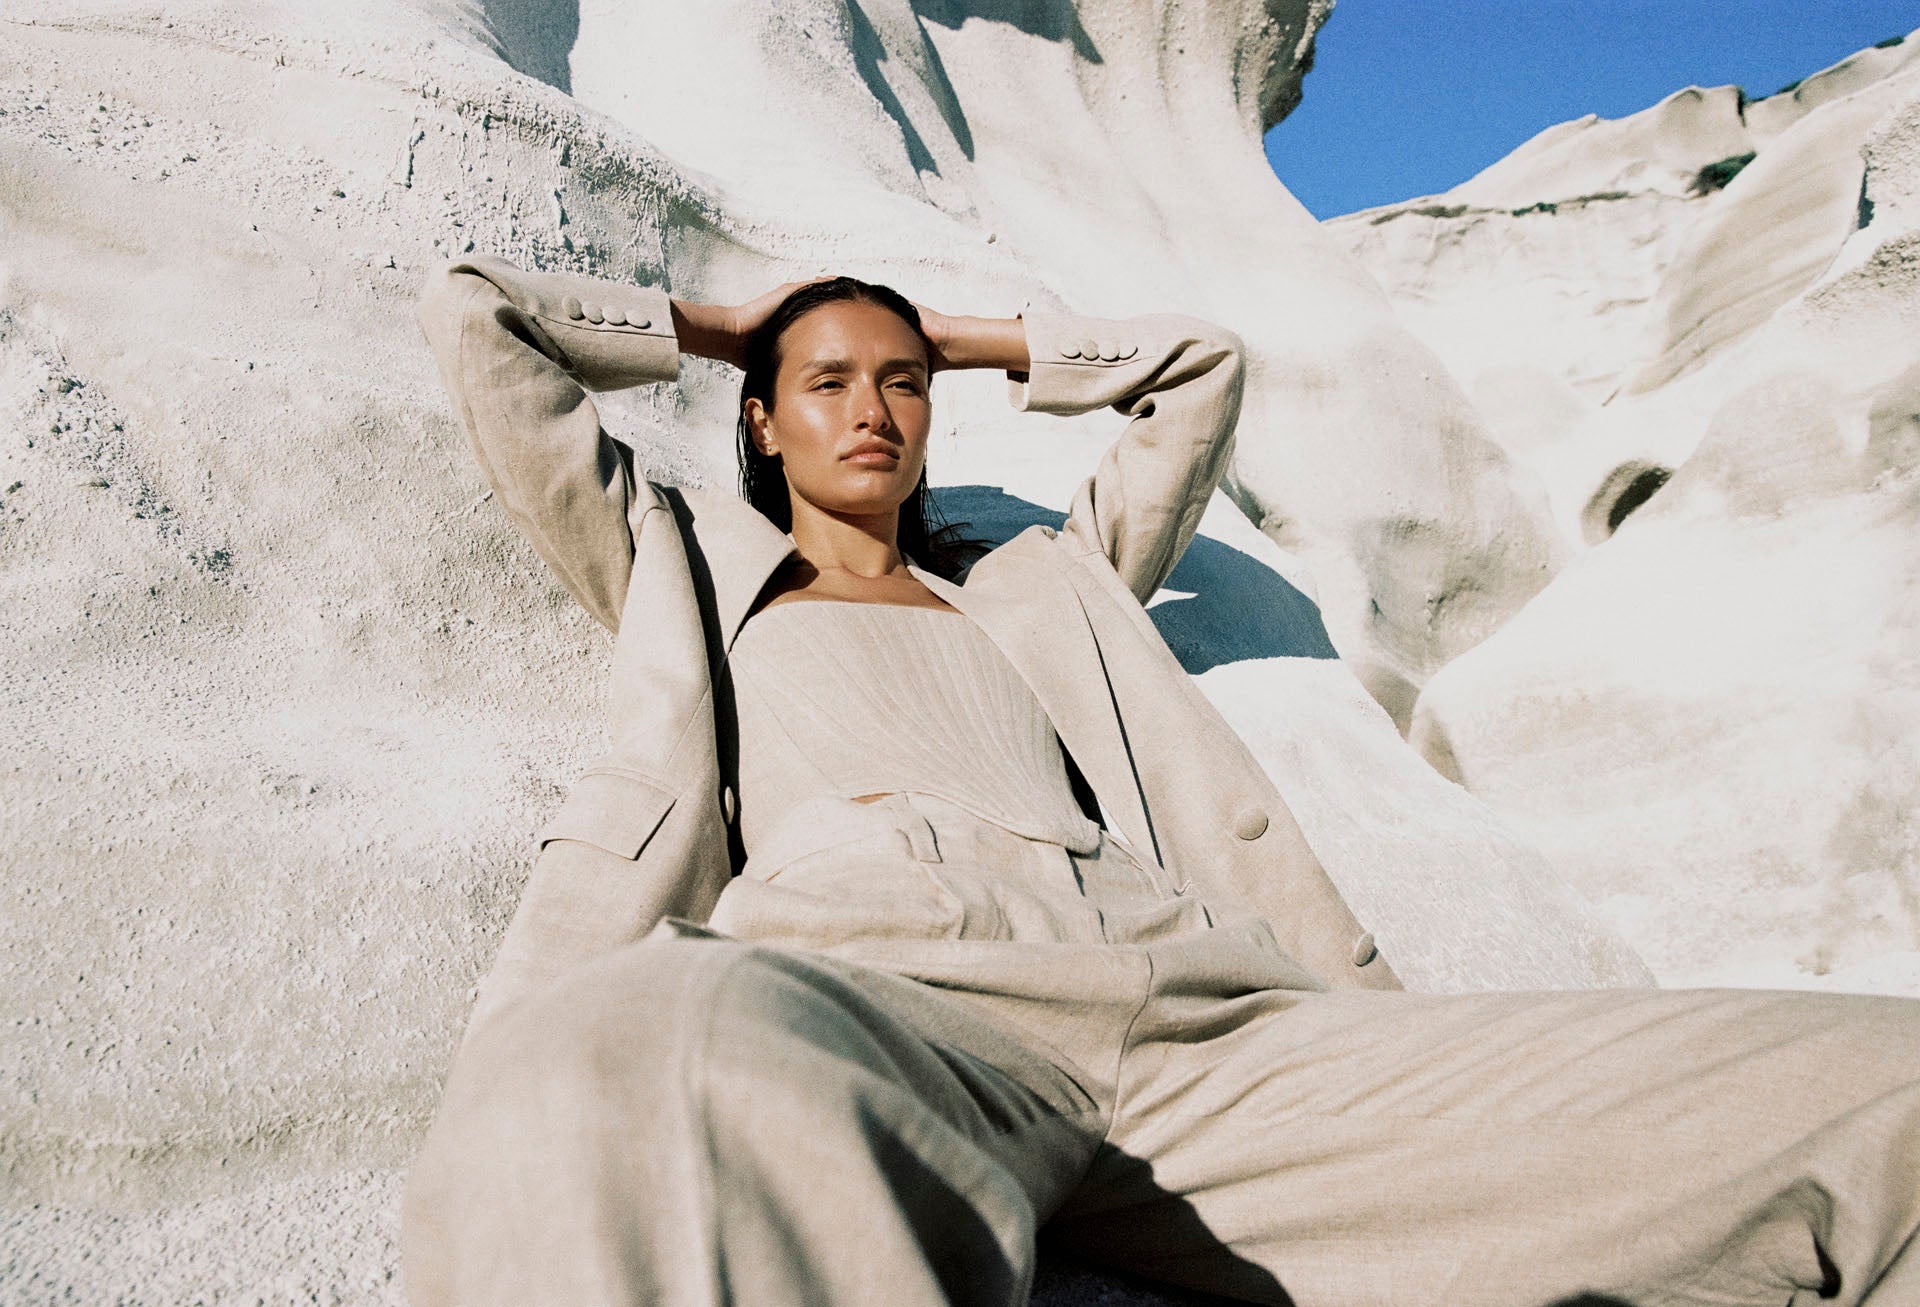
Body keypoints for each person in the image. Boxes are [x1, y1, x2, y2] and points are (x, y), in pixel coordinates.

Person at [401, 254, 1920, 1307]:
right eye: (826, 383)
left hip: (1205, 1023)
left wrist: (963, 338)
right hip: (884, 991)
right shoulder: (685, 560)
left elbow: (1198, 371)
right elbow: (484, 321)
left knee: (1880, 1096)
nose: (872, 409)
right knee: (623, 1061)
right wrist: (734, 323)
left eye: (903, 383)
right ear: (760, 415)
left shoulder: (1046, 582)